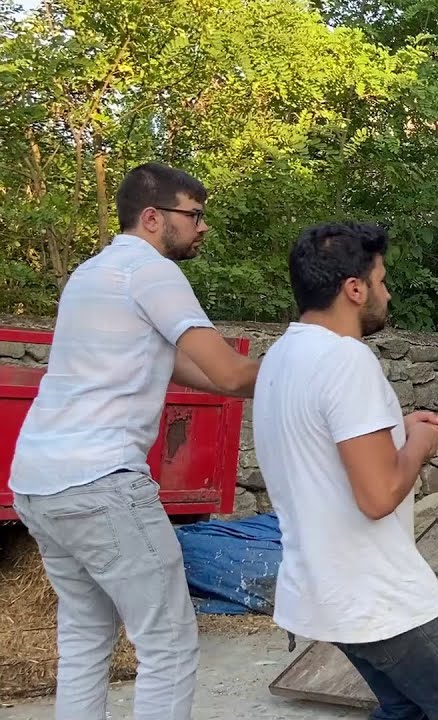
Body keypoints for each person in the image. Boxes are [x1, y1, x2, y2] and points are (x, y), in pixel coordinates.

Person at [9, 161, 260, 719]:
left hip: (39, 483)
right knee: (168, 643)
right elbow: (227, 373)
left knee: (84, 640)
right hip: (101, 483)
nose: (202, 228)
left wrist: (259, 381)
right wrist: (307, 364)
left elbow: (179, 368)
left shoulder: (90, 274)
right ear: (152, 217)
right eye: (193, 215)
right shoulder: (152, 273)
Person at [253, 221, 438, 720]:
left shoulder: (282, 356)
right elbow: (377, 496)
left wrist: (396, 427)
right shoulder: (347, 361)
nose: (386, 294)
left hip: (322, 587)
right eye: (382, 281)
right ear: (354, 289)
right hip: (378, 597)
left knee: (404, 707)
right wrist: (415, 444)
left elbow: (321, 443)